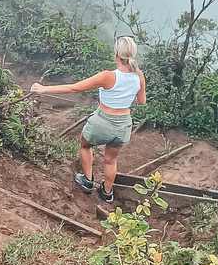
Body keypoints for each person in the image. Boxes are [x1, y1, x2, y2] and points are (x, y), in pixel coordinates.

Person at [31, 37, 146, 203]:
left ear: (116, 55)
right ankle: (107, 193)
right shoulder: (139, 76)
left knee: (85, 145)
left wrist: (43, 89)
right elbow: (141, 101)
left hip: (102, 121)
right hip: (123, 125)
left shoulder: (107, 76)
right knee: (111, 159)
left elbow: (74, 88)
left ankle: (87, 180)